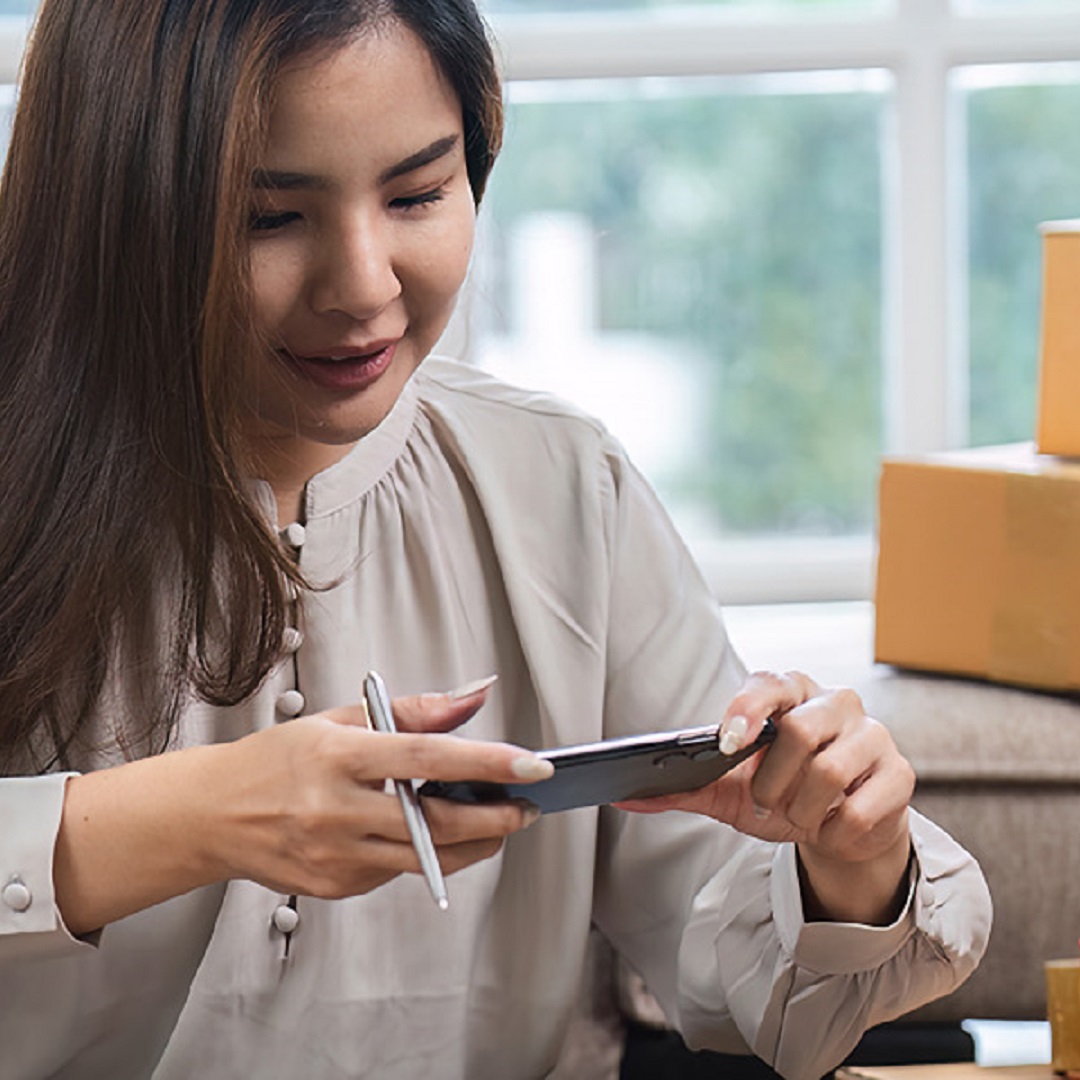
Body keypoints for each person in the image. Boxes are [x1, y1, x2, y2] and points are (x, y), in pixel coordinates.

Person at [0, 1, 990, 1077]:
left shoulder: (562, 485)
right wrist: (196, 816)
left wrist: (850, 859)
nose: (366, 286)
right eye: (267, 218)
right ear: (113, 208)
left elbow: (759, 991)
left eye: (420, 193)